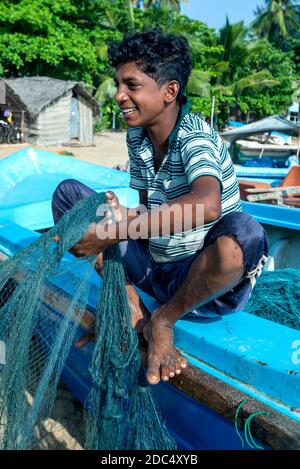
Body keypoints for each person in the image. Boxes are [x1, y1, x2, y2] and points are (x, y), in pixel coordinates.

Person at [52, 29, 268, 386]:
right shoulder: (137, 137)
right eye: (118, 84)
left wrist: (113, 231)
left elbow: (208, 205)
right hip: (153, 267)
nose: (119, 96)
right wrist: (123, 218)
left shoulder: (195, 137)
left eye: (131, 85)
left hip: (198, 284)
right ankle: (127, 301)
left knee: (247, 233)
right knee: (69, 195)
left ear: (169, 92)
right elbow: (148, 210)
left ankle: (163, 321)